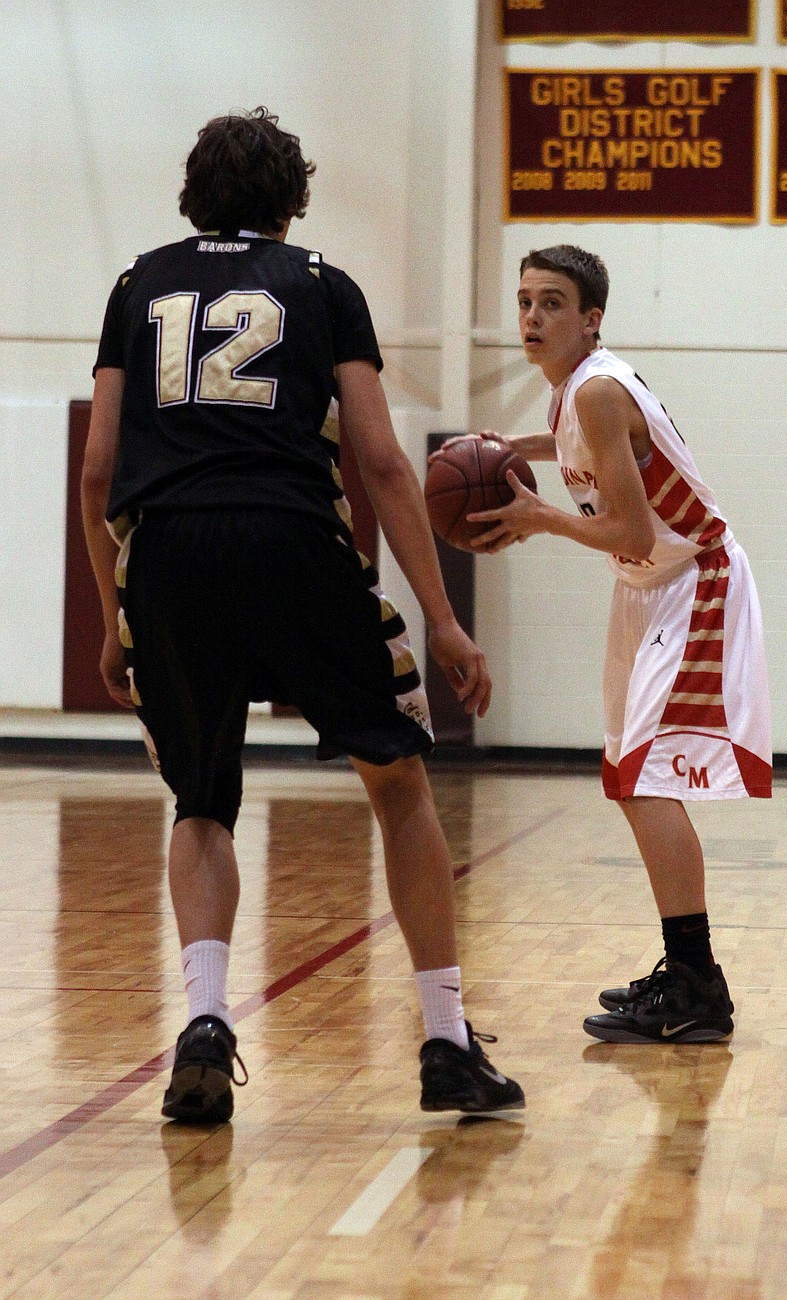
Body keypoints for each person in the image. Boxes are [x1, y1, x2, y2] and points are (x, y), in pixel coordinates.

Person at [81, 107, 524, 1122]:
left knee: (200, 800)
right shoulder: (322, 284)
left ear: (192, 196)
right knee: (397, 780)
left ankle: (205, 1020)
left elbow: (100, 470)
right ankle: (447, 1041)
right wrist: (442, 618)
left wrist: (114, 616)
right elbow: (382, 464)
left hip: (170, 553)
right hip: (292, 540)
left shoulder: (135, 285)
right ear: (292, 202)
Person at [464, 243, 771, 1043]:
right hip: (643, 587)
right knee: (626, 775)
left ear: (590, 319)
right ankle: (688, 975)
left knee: (644, 779)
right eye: (525, 301)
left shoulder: (599, 390)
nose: (532, 316)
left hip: (693, 580)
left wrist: (540, 518)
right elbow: (586, 460)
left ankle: (697, 985)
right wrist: (510, 447)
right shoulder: (572, 394)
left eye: (552, 303)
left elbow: (632, 528)